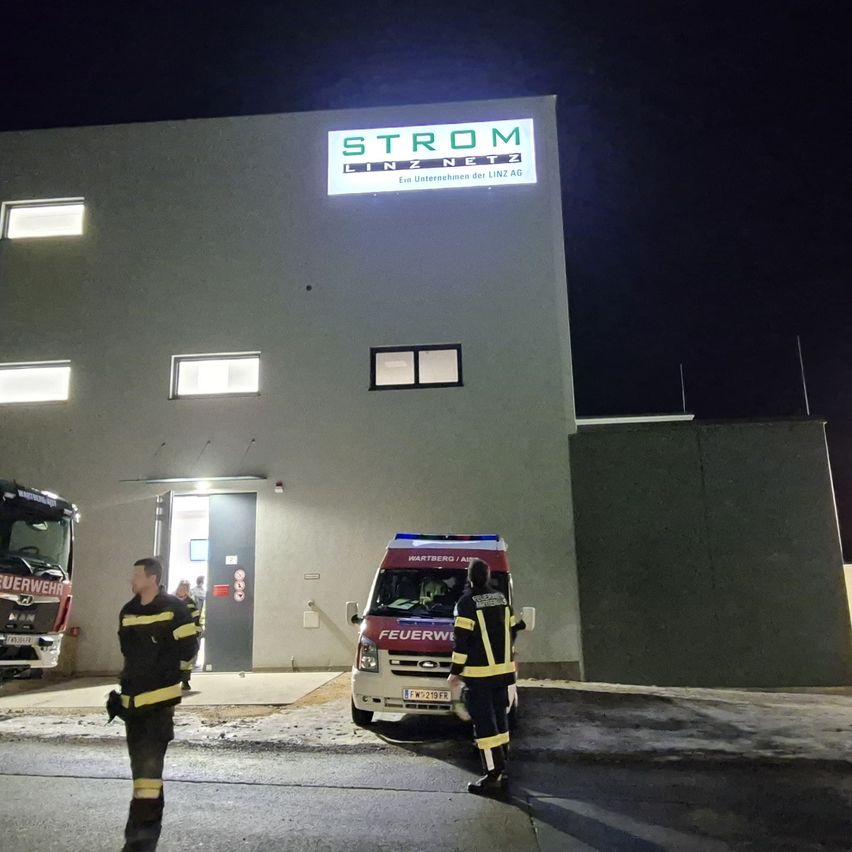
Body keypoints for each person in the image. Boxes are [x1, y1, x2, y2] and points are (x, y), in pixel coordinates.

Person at [109, 558, 198, 851]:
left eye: (136, 574)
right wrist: (122, 700)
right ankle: (141, 839)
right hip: (133, 708)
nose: (131, 579)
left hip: (157, 707)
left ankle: (139, 843)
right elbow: (130, 656)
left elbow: (188, 646)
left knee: (147, 779)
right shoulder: (129, 610)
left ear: (152, 578)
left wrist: (176, 676)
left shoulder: (174, 608)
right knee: (144, 778)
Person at [447, 557, 524, 796]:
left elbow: (461, 643)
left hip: (479, 677)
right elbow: (513, 631)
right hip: (502, 675)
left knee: (485, 726)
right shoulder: (501, 600)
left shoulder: (466, 604)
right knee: (500, 720)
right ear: (489, 576)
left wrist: (455, 672)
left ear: (469, 578)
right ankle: (501, 769)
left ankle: (492, 776)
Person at [173, 580, 201, 690]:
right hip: (174, 635)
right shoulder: (171, 601)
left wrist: (197, 630)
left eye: (185, 588)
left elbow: (196, 618)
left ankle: (185, 681)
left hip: (188, 636)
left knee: (187, 660)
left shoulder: (191, 602)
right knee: (173, 659)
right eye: (182, 587)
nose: (183, 590)